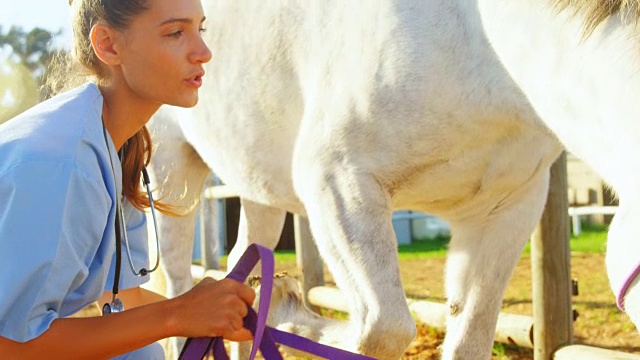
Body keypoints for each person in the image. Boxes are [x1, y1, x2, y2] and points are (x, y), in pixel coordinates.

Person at [0, 0, 256, 358]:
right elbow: (9, 346)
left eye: (201, 29)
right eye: (175, 33)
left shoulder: (115, 146)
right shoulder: (63, 163)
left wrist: (231, 316)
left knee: (141, 354)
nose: (203, 52)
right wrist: (177, 315)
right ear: (108, 44)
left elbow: (123, 298)